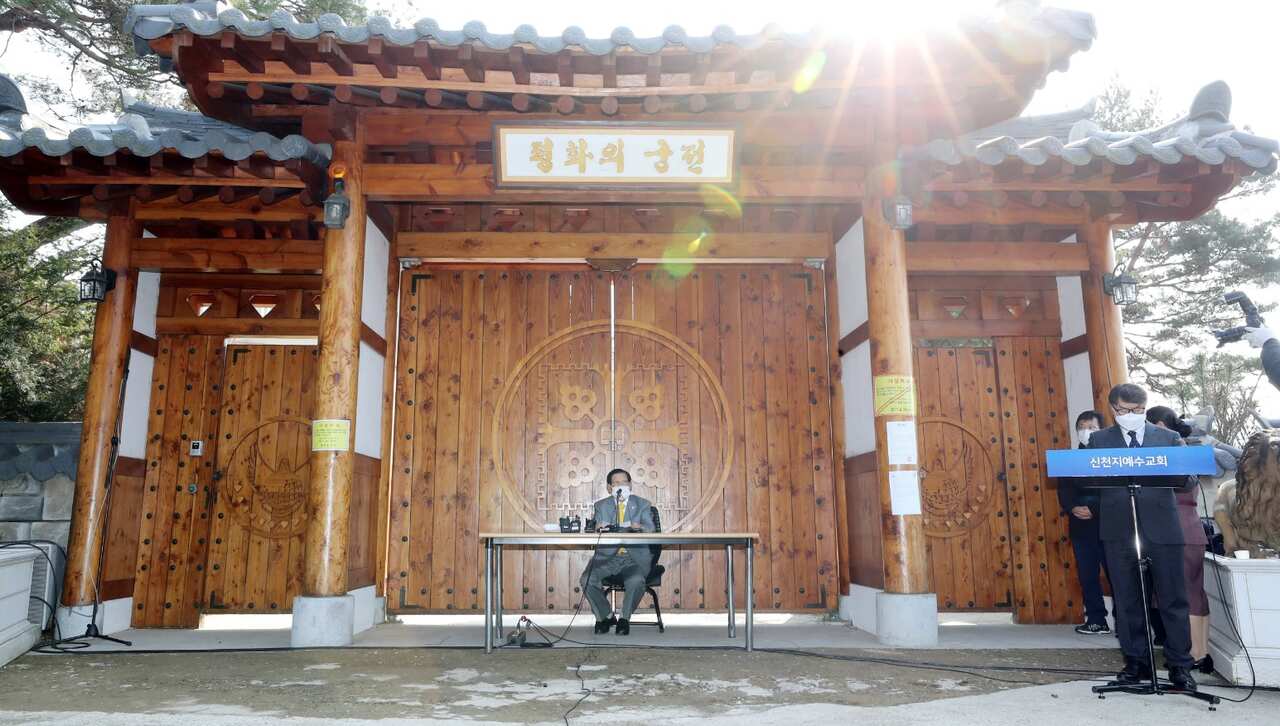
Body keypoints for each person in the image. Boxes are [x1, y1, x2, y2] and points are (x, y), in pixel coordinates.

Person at [1088, 383, 1199, 692]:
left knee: (1173, 598)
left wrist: (1178, 468)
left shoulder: (1169, 437)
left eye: (1138, 411)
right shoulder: (1099, 440)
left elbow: (1189, 479)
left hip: (1163, 528)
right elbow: (1088, 479)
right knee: (1127, 601)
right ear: (1113, 410)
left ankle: (1180, 666)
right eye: (1125, 411)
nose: (1132, 416)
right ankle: (1135, 662)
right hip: (1118, 530)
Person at [1146, 405, 1213, 673]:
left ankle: (1195, 653)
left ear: (1160, 425)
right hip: (1180, 527)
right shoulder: (1178, 448)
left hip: (1180, 527)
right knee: (1190, 591)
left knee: (1185, 593)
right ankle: (1198, 652)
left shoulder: (1176, 451)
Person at [580, 468, 656, 636]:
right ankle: (605, 616)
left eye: (624, 482)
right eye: (616, 483)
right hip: (607, 557)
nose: (620, 485)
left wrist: (640, 527)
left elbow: (651, 529)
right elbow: (595, 529)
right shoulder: (601, 505)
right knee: (586, 579)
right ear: (609, 488)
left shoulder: (642, 504)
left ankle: (624, 619)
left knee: (636, 581)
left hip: (633, 558)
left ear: (630, 485)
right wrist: (597, 528)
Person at [1059, 410, 1112, 635]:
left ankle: (1127, 622)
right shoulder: (1070, 458)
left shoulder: (1112, 457)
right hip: (1081, 527)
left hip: (1109, 525)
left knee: (1116, 575)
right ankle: (1096, 619)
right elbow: (1063, 489)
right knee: (1088, 575)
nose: (1086, 431)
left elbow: (1113, 492)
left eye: (1092, 427)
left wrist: (1095, 509)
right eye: (1082, 426)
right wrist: (1072, 507)